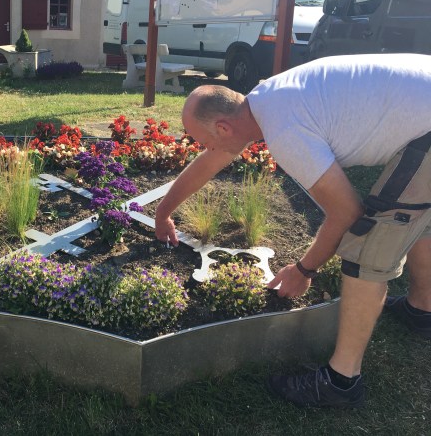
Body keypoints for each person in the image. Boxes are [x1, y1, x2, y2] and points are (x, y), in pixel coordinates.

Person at [155, 53, 431, 408]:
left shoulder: (284, 129)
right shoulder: (264, 101)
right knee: (419, 216)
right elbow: (210, 162)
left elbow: (347, 212)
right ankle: (422, 310)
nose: (206, 150)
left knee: (368, 246)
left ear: (223, 128)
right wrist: (163, 212)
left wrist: (304, 271)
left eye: (203, 141)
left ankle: (341, 383)